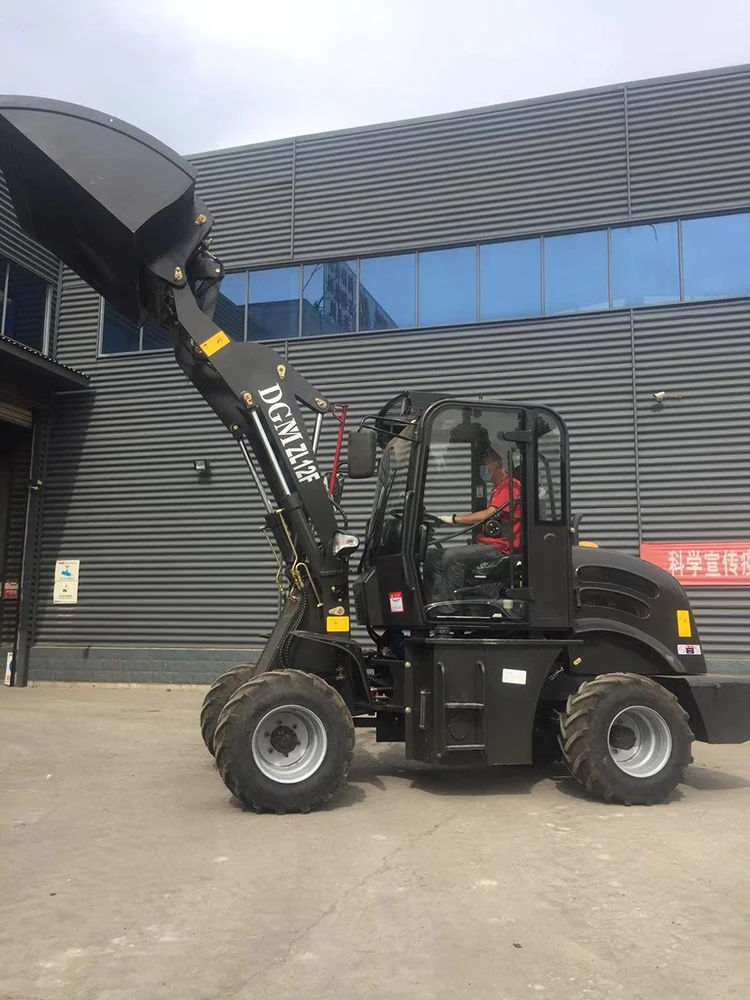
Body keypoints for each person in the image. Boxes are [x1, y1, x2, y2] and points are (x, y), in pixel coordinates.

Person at [425, 448, 522, 605]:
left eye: (486, 463)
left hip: (500, 548)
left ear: (498, 463)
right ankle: (436, 603)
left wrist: (454, 519)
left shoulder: (510, 486)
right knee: (432, 556)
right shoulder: (498, 489)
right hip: (488, 543)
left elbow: (488, 514)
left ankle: (450, 608)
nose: (483, 468)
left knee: (452, 556)